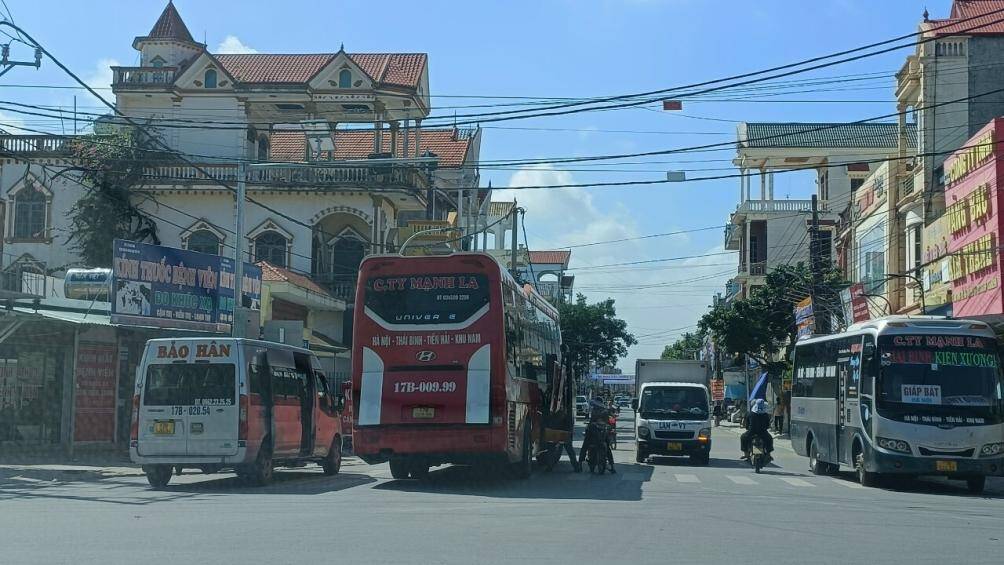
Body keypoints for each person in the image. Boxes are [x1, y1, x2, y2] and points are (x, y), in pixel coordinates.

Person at [578, 396, 616, 473]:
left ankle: (612, 466)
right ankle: (579, 464)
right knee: (585, 445)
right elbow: (591, 421)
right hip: (593, 433)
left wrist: (609, 426)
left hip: (601, 434)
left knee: (607, 447)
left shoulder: (604, 411)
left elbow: (610, 421)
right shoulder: (595, 410)